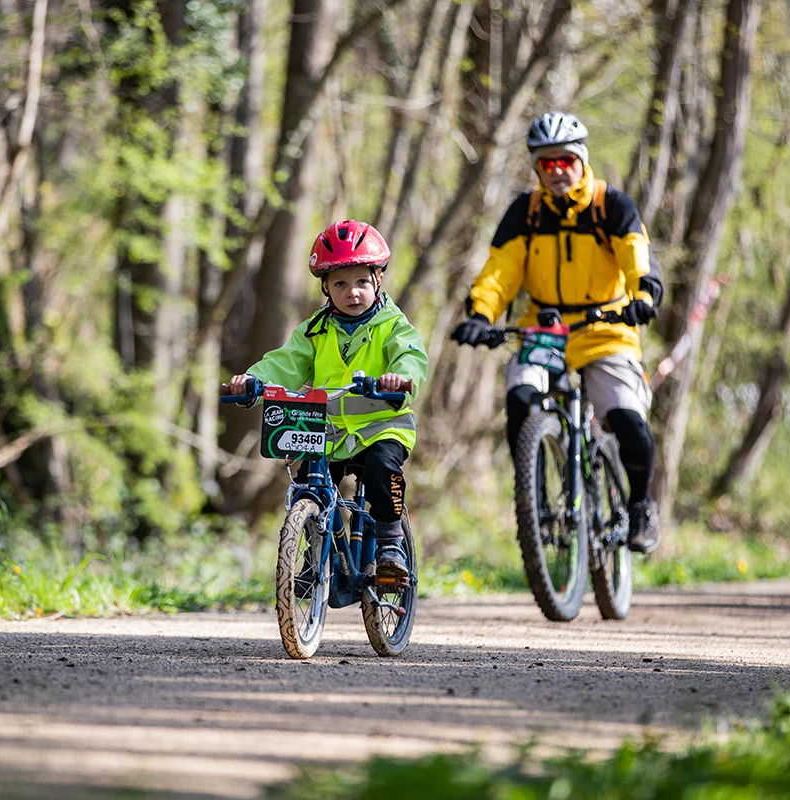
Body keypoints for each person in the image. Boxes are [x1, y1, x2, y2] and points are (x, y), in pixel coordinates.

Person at [450, 111, 664, 554]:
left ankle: (641, 505)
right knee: (519, 398)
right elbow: (498, 273)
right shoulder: (524, 213)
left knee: (627, 418)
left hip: (607, 327)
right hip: (545, 332)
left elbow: (636, 257)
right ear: (537, 168)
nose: (557, 171)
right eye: (546, 164)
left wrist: (644, 295)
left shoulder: (612, 205)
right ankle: (535, 499)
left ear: (581, 160)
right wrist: (480, 315)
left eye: (565, 160)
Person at [227, 220, 429, 576]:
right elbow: (284, 363)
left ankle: (390, 544)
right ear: (325, 287)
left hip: (382, 426)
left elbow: (410, 356)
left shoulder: (394, 325)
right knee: (309, 484)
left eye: (362, 282)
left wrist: (402, 378)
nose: (353, 292)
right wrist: (252, 381)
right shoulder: (315, 330)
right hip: (329, 432)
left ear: (378, 279)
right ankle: (313, 556)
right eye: (341, 283)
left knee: (383, 470)